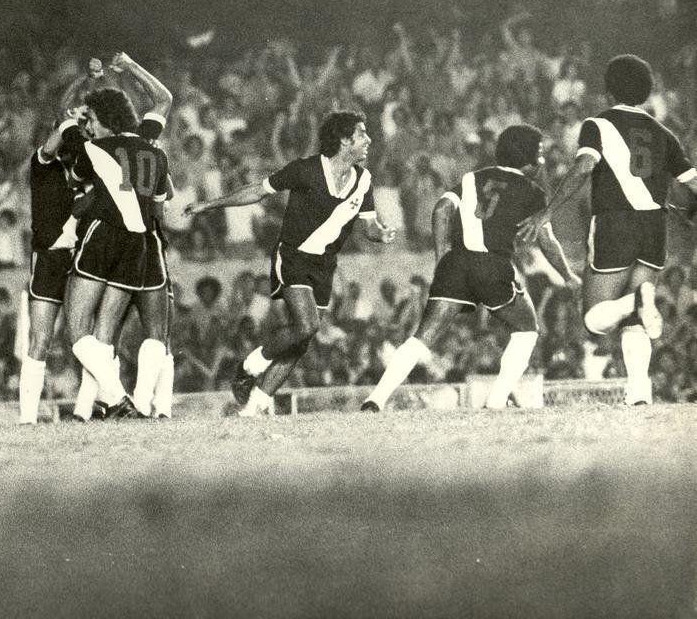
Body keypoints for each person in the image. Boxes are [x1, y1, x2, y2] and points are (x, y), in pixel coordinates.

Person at [185, 111, 397, 416]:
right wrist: (209, 204)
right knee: (307, 325)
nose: (369, 139)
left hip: (325, 265)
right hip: (294, 256)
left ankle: (253, 409)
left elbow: (370, 225)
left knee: (302, 339)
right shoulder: (306, 170)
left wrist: (383, 233)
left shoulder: (364, 180)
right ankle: (249, 366)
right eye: (362, 134)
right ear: (344, 140)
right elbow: (258, 191)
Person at [362, 124, 581, 411]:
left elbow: (441, 208)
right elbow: (547, 241)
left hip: (457, 262)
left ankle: (375, 399)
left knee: (423, 337)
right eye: (538, 154)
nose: (541, 161)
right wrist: (568, 276)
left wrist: (443, 259)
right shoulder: (533, 192)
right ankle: (497, 400)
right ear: (526, 156)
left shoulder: (471, 179)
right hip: (493, 264)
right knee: (527, 328)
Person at [519, 55, 697, 406]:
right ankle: (639, 394)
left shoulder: (597, 125)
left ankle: (637, 299)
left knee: (594, 319)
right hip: (654, 227)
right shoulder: (664, 134)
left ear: (608, 88)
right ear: (647, 91)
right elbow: (692, 185)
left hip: (615, 221)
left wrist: (547, 212)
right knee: (635, 321)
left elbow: (585, 166)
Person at [70, 52, 177, 420]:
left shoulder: (95, 148)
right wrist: (130, 66)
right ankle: (124, 405)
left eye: (94, 121)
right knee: (136, 332)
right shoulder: (155, 151)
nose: (90, 127)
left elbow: (83, 186)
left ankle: (116, 400)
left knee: (81, 331)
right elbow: (163, 98)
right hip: (143, 242)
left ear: (106, 121)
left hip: (104, 237)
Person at [17, 61, 104, 425]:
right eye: (73, 126)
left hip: (81, 258)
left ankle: (85, 412)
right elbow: (61, 119)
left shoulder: (92, 167)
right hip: (50, 257)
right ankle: (27, 420)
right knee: (40, 340)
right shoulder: (44, 165)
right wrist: (84, 82)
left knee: (86, 339)